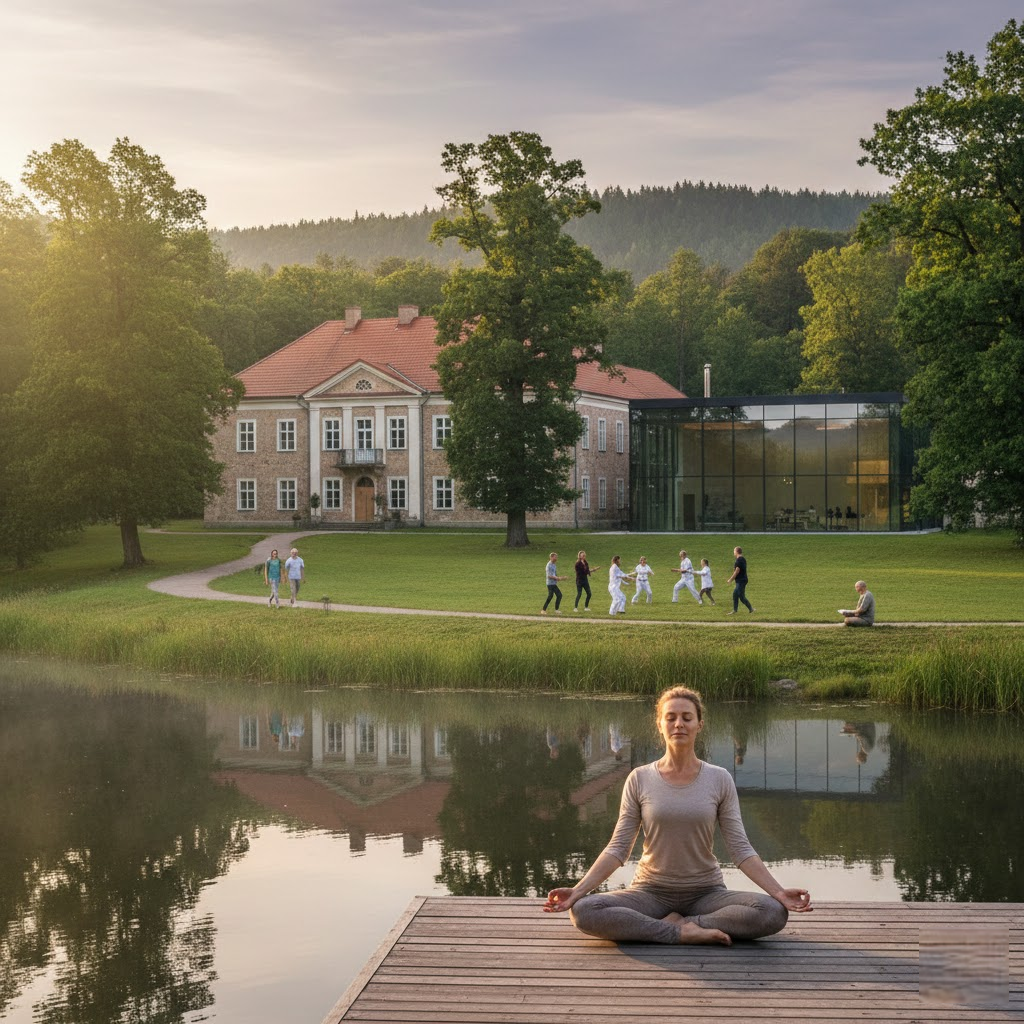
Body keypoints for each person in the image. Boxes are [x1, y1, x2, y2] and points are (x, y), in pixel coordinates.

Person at [543, 686, 812, 944]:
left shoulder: (719, 779)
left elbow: (740, 849)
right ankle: (678, 933)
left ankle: (687, 924)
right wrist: (577, 891)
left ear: (699, 724)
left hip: (706, 893)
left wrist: (778, 892)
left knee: (772, 911)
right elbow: (618, 848)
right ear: (660, 725)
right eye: (670, 718)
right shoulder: (640, 778)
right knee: (585, 910)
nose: (679, 724)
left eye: (687, 717)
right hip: (650, 892)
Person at [725, 546, 754, 615]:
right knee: (735, 594)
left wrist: (730, 579)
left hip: (741, 581)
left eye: (734, 551)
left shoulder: (739, 560)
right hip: (742, 580)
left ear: (737, 552)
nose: (733, 553)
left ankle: (751, 609)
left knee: (741, 596)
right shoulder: (743, 559)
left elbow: (737, 571)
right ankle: (735, 610)